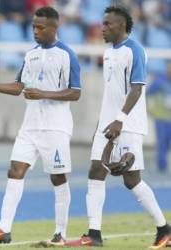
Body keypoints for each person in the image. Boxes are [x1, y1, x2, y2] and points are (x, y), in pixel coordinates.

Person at [0, 6, 81, 245]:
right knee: (15, 170)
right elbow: (19, 86)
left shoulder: (67, 55)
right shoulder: (31, 54)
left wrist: (44, 94)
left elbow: (76, 93)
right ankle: (3, 229)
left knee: (58, 177)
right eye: (33, 27)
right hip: (30, 126)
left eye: (40, 27)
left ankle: (60, 233)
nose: (35, 31)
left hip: (55, 127)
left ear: (54, 27)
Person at [65, 5, 171, 249]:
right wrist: (103, 123)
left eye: (107, 24)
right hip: (107, 124)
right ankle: (94, 234)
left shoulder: (135, 50)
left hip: (128, 124)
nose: (102, 28)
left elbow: (137, 88)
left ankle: (164, 229)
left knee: (131, 179)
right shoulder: (109, 51)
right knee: (95, 171)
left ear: (121, 25)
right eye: (102, 24)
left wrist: (120, 120)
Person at [146, 61, 171, 173]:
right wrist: (150, 110)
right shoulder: (160, 81)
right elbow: (147, 94)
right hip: (161, 118)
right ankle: (161, 167)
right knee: (162, 142)